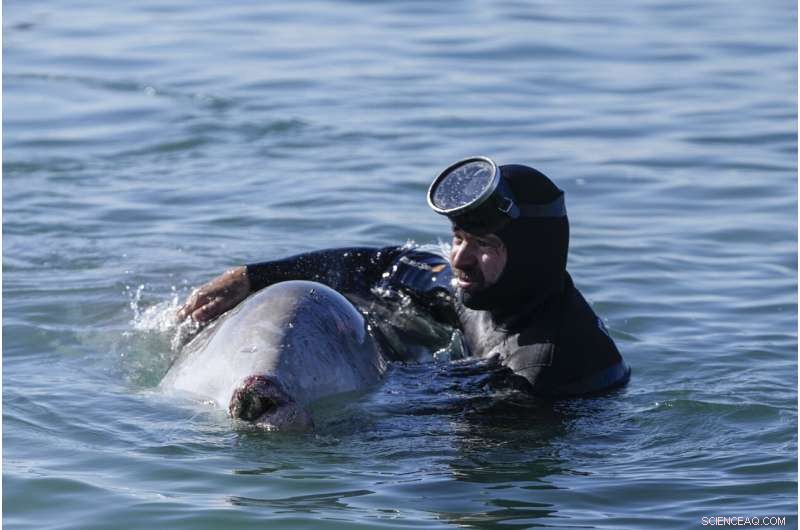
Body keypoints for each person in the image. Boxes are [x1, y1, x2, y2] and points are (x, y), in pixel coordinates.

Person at [177, 156, 630, 396]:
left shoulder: (541, 374)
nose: (459, 259)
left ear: (532, 255)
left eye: (485, 244)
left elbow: (438, 456)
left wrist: (322, 432)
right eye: (457, 238)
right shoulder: (496, 291)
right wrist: (253, 277)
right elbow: (384, 265)